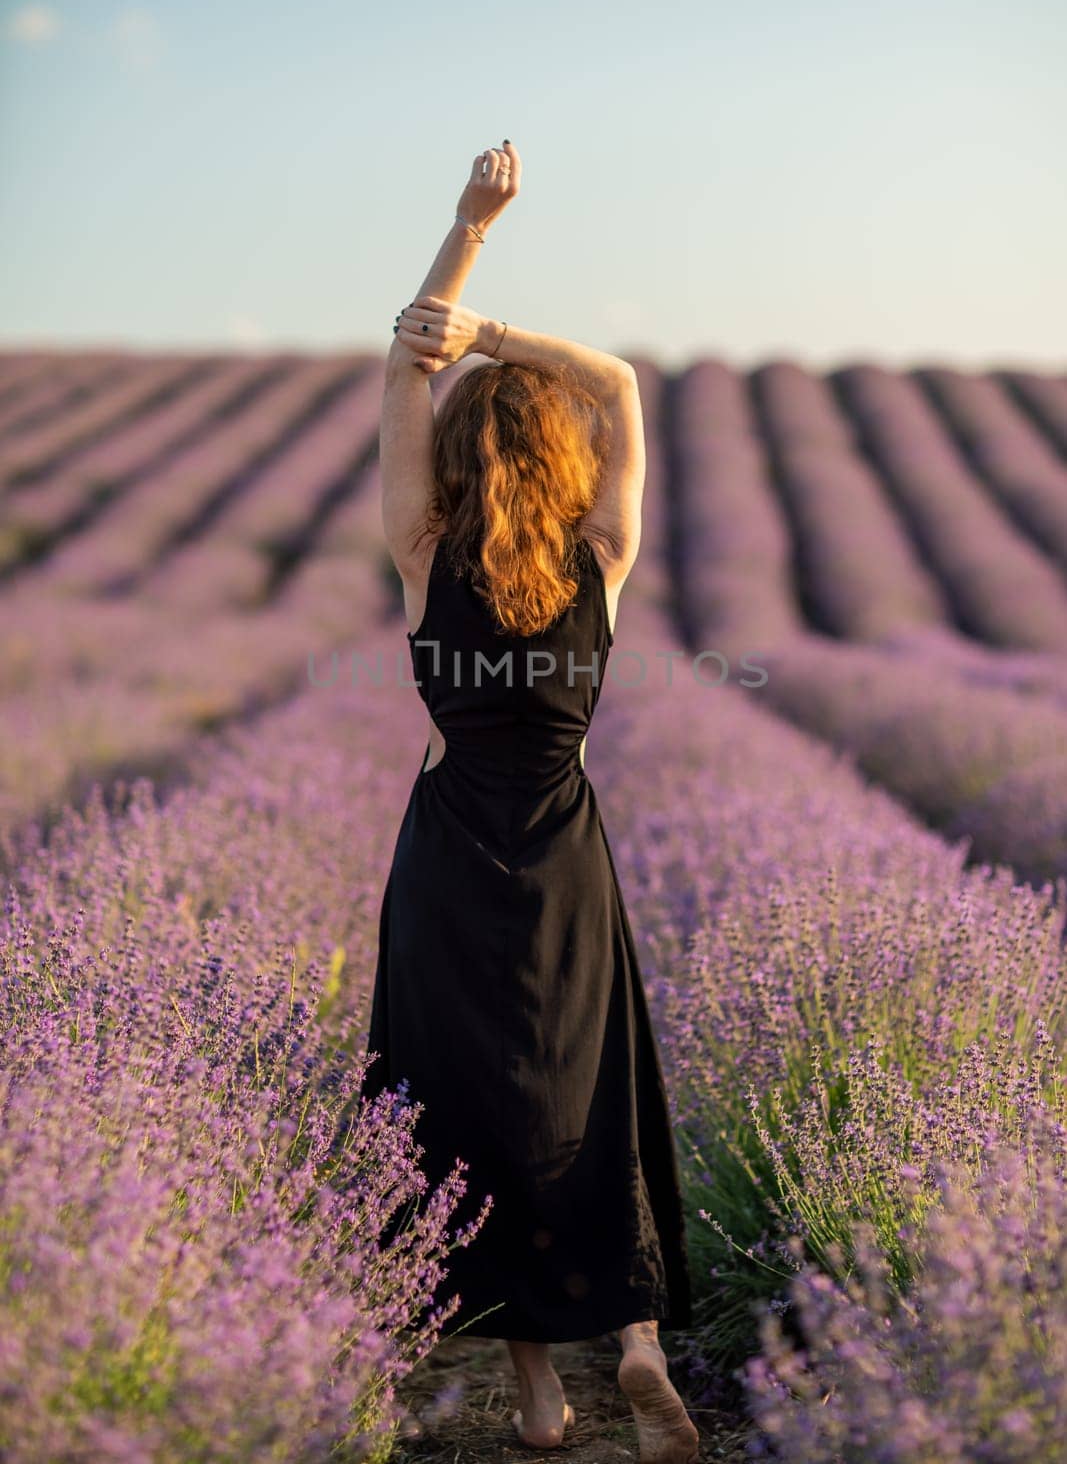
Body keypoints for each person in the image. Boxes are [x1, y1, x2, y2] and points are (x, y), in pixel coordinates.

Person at [361, 141, 699, 1463]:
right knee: (586, 1086)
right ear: (560, 452)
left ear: (455, 452)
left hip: (451, 857)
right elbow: (615, 379)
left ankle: (544, 1400)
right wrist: (500, 326)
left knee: (480, 1096)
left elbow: (406, 361)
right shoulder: (599, 557)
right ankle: (637, 1346)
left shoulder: (423, 549)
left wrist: (464, 229)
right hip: (564, 853)